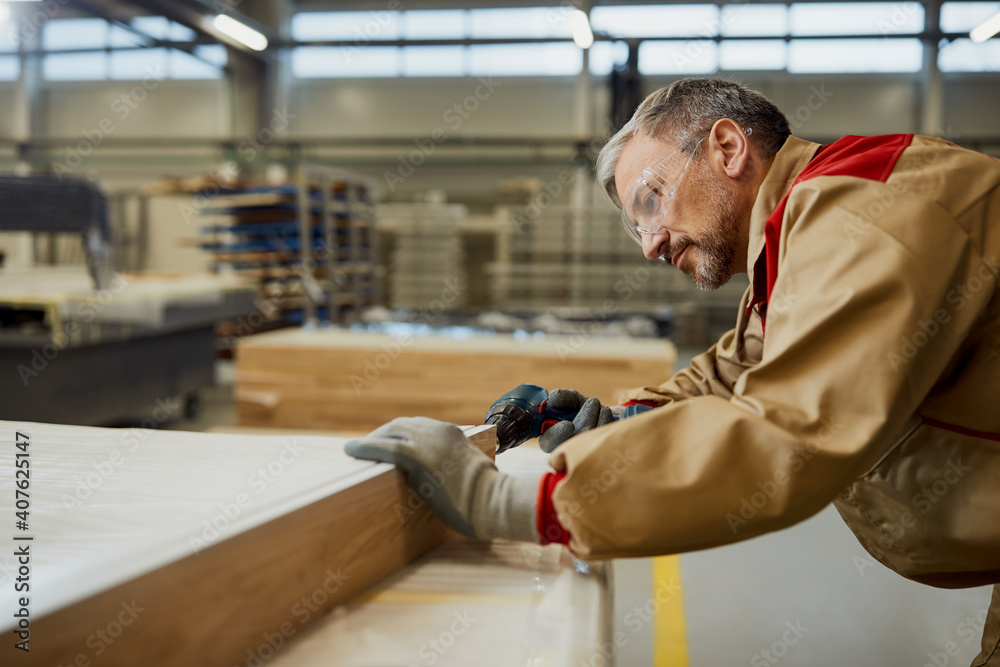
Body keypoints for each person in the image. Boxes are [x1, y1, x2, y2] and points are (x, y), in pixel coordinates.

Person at [346, 78, 1000, 665]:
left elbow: (789, 431)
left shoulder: (862, 210)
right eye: (637, 230)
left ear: (727, 148)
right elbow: (733, 370)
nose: (652, 244)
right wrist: (626, 417)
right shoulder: (799, 236)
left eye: (652, 201)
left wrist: (508, 502)